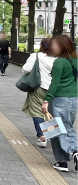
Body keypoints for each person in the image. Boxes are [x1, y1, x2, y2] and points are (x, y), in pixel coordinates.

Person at [41, 35, 78, 172]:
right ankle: (61, 162)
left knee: (58, 128)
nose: (52, 47)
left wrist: (46, 100)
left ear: (62, 45)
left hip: (59, 99)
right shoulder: (76, 60)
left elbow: (54, 83)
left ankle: (74, 151)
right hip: (74, 99)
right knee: (57, 127)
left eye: (55, 45)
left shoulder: (59, 62)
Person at [21, 38, 55, 148]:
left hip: (38, 87)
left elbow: (26, 69)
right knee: (50, 111)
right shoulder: (57, 58)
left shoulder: (36, 56)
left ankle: (42, 136)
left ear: (41, 45)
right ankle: (50, 134)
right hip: (53, 87)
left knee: (37, 111)